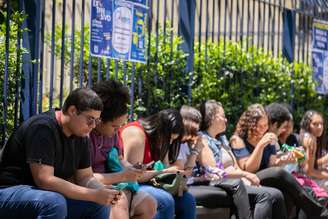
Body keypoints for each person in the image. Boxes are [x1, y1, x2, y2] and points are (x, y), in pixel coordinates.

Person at [0, 88, 121, 219]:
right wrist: (93, 194)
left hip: (42, 196)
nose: (93, 125)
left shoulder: (81, 135)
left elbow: (85, 177)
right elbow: (44, 180)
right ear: (72, 111)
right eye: (90, 119)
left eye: (96, 120)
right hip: (9, 192)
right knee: (54, 202)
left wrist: (103, 192)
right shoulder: (43, 128)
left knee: (99, 204)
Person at [230, 103, 328, 218]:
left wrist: (286, 159)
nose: (263, 129)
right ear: (250, 125)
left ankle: (315, 212)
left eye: (265, 125)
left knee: (305, 191)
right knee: (279, 172)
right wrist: (261, 145)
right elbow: (249, 168)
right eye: (260, 126)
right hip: (251, 177)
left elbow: (272, 162)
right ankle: (319, 211)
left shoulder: (268, 137)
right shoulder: (238, 140)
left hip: (270, 177)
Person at [90, 80, 157, 219]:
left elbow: (120, 159)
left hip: (114, 182)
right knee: (119, 201)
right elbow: (83, 177)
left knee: (148, 204)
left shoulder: (112, 135)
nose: (117, 132)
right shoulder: (85, 134)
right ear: (98, 119)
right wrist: (123, 176)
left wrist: (132, 169)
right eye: (114, 127)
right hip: (94, 184)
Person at [119, 109, 196, 219]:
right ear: (160, 129)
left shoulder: (161, 138)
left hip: (149, 183)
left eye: (173, 140)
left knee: (187, 200)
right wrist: (164, 171)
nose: (170, 143)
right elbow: (132, 177)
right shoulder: (137, 134)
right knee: (165, 200)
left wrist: (176, 181)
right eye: (169, 139)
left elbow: (165, 168)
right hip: (129, 184)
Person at [299, 110, 328, 192]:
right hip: (306, 182)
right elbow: (309, 172)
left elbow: (314, 163)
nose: (319, 127)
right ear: (308, 125)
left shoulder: (309, 137)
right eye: (315, 124)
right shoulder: (310, 140)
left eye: (321, 124)